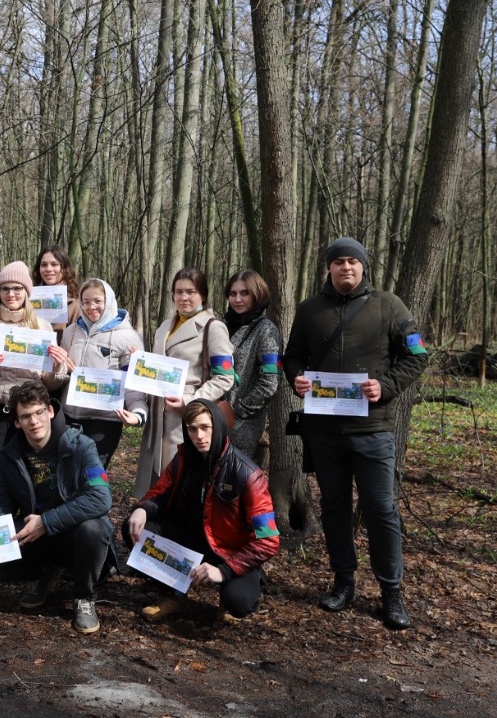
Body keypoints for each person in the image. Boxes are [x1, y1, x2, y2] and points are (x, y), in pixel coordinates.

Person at [283, 236, 429, 630]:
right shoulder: (310, 310)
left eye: (353, 262)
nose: (346, 268)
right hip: (324, 431)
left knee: (381, 510)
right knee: (334, 508)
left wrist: (386, 385)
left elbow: (416, 356)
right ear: (328, 268)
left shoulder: (389, 306)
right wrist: (296, 378)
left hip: (373, 429)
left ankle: (391, 592)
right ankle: (343, 582)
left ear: (363, 267)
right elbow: (293, 355)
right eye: (339, 262)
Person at [0, 381, 116, 634]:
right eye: (25, 416)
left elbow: (101, 498)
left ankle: (84, 597)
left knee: (93, 529)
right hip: (35, 536)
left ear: (50, 411)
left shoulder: (82, 446)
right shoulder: (8, 456)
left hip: (74, 535)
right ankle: (45, 573)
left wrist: (46, 522)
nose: (34, 421)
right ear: (17, 422)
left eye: (38, 412)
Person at [125, 399, 279, 622]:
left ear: (218, 426)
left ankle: (229, 594)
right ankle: (175, 593)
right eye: (192, 429)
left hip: (229, 552)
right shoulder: (184, 458)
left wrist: (225, 571)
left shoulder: (248, 474)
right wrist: (143, 509)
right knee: (136, 529)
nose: (199, 436)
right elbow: (159, 494)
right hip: (192, 542)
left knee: (239, 601)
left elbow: (269, 540)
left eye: (206, 428)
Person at [0, 261, 69, 515]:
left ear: (27, 291)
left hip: (30, 413)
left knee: (31, 474)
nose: (11, 294)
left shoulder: (42, 326)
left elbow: (49, 383)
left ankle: (28, 536)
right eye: (5, 288)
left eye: (17, 288)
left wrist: (58, 366)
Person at [134, 268, 234, 499]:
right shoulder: (164, 327)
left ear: (203, 295)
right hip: (158, 413)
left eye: (191, 291)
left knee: (181, 482)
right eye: (178, 292)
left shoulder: (213, 327)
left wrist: (189, 400)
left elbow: (224, 377)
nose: (183, 297)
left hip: (187, 416)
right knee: (156, 484)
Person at [57, 278, 147, 469]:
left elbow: (133, 383)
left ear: (109, 301)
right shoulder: (71, 332)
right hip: (70, 416)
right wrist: (62, 368)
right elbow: (60, 375)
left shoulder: (128, 337)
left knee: (91, 474)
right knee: (66, 472)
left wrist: (138, 413)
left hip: (104, 420)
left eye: (98, 301)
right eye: (86, 302)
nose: (91, 307)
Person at [222, 269, 283, 459]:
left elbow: (270, 382)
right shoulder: (221, 325)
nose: (238, 299)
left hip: (242, 425)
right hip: (212, 418)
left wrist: (238, 411)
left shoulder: (267, 331)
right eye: (233, 294)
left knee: (232, 484)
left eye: (245, 293)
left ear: (257, 294)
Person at [32, 245, 81, 340]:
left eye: (54, 264)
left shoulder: (75, 302)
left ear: (64, 268)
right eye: (44, 265)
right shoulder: (28, 297)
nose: (48, 269)